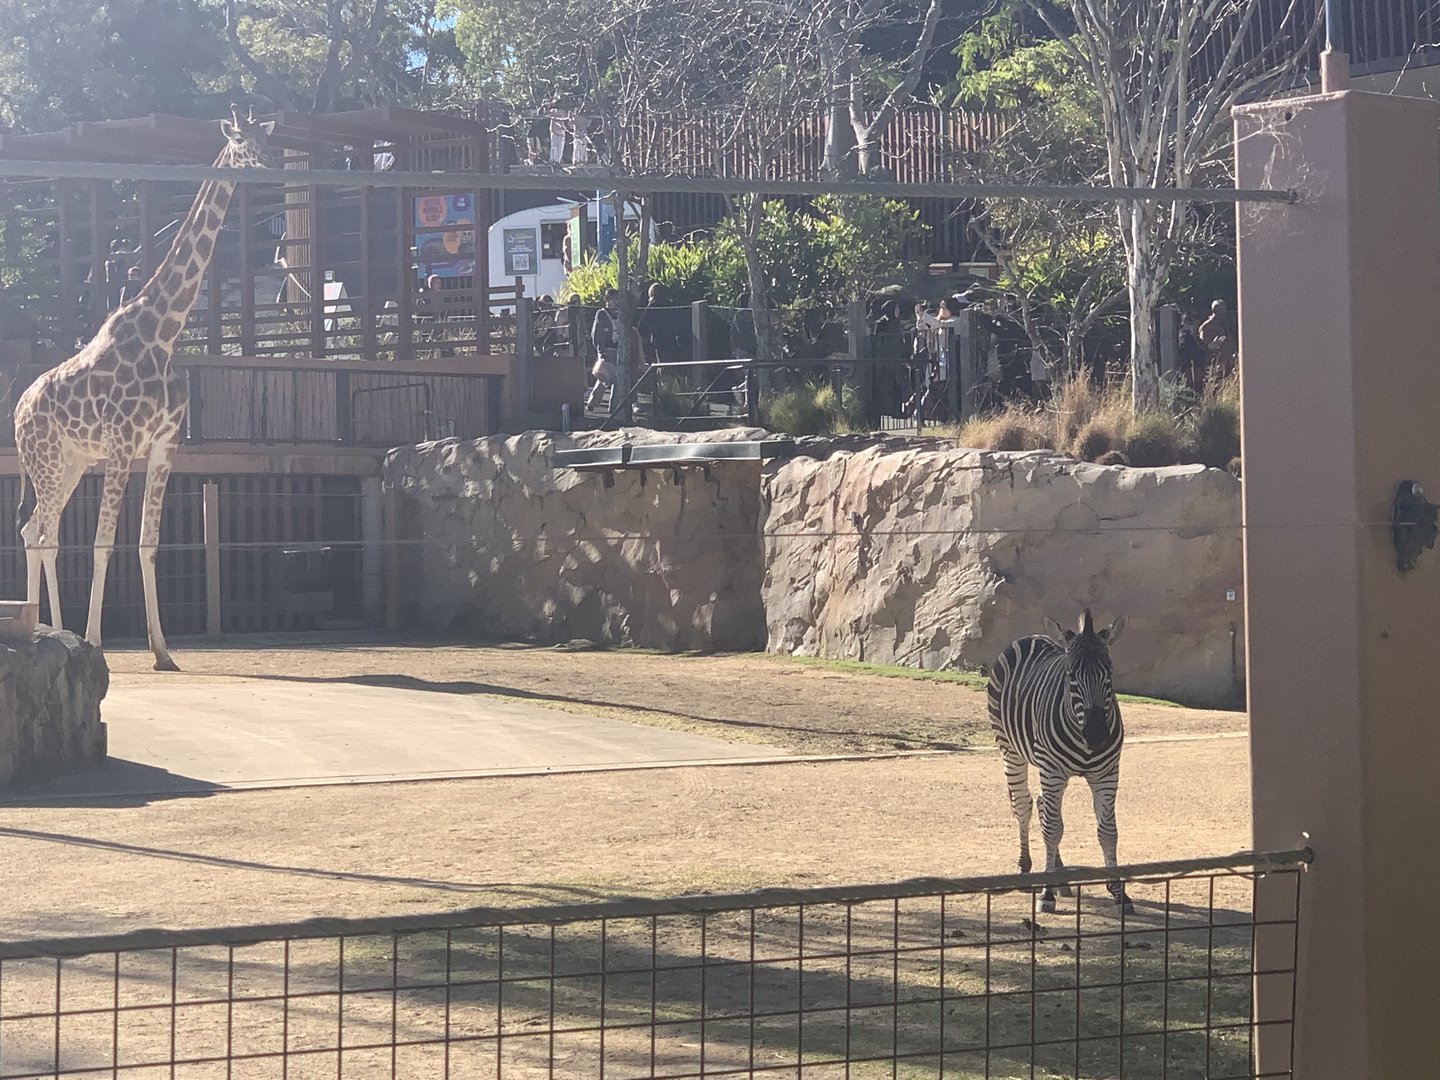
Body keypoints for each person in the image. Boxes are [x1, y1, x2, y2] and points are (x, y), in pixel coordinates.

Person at [587, 288, 621, 410]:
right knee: (606, 377)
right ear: (607, 300)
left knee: (614, 379)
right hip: (607, 349)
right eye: (612, 299)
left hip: (618, 350)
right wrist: (600, 351)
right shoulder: (601, 314)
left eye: (617, 299)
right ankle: (600, 404)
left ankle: (610, 406)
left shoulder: (620, 314)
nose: (615, 302)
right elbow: (596, 334)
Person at [1197, 299, 1237, 378]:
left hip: (1229, 365)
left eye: (1224, 310)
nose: (1223, 313)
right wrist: (1210, 346)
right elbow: (1202, 348)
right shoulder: (1206, 327)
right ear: (1213, 310)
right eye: (1220, 310)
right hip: (1216, 367)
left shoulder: (1226, 325)